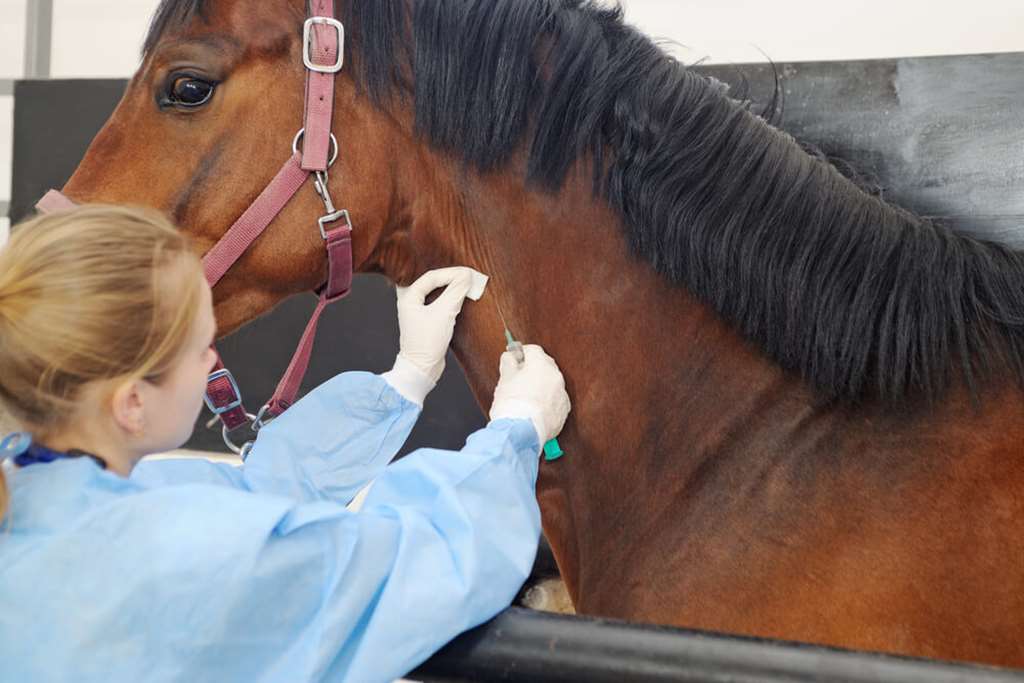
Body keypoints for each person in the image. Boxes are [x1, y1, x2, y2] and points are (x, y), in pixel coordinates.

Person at [0, 205, 571, 682]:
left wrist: (407, 378)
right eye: (201, 346)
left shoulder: (34, 491)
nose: (210, 361)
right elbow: (427, 559)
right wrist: (515, 432)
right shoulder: (173, 554)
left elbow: (257, 492)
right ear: (131, 404)